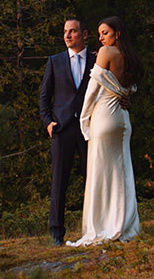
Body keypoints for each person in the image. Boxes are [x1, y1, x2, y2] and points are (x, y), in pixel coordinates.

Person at [68, 16, 142, 246]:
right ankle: (125, 223)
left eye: (105, 33)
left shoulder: (105, 53)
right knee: (122, 172)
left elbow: (92, 90)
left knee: (100, 173)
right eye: (99, 34)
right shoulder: (131, 59)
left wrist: (84, 119)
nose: (101, 38)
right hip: (122, 120)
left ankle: (101, 225)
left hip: (105, 118)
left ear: (117, 33)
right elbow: (131, 89)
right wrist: (126, 97)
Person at [39, 17, 94, 246]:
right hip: (61, 129)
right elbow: (44, 96)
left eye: (72, 31)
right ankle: (56, 233)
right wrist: (48, 122)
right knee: (59, 182)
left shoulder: (96, 60)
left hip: (89, 128)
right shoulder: (55, 61)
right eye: (65, 31)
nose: (67, 35)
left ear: (84, 34)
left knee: (92, 180)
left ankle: (93, 227)